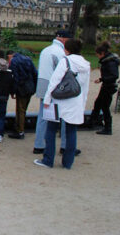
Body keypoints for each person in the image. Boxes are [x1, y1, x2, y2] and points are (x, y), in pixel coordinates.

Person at [34, 39, 90, 169]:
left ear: (67, 49)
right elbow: (85, 87)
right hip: (76, 101)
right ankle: (68, 162)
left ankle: (48, 160)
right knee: (71, 132)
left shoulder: (65, 61)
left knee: (51, 130)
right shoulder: (86, 64)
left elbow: (54, 81)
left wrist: (47, 99)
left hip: (60, 101)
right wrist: (82, 104)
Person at [33, 30, 72, 154]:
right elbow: (63, 72)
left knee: (43, 116)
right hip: (55, 88)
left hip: (42, 84)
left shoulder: (46, 50)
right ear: (64, 40)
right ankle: (65, 146)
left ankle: (39, 144)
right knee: (65, 116)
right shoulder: (60, 53)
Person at [6, 50, 38, 140]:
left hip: (22, 88)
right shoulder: (28, 59)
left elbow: (15, 78)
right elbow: (35, 73)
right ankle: (19, 128)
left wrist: (12, 91)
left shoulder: (14, 61)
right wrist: (35, 87)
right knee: (24, 108)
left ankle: (20, 130)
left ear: (9, 56)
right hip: (30, 87)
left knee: (20, 110)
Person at [91, 41, 120, 135]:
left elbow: (114, 75)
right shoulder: (108, 60)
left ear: (102, 53)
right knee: (99, 103)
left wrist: (102, 79)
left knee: (104, 106)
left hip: (109, 86)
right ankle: (95, 121)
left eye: (97, 55)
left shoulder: (109, 62)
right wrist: (101, 79)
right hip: (107, 85)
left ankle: (107, 128)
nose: (97, 57)